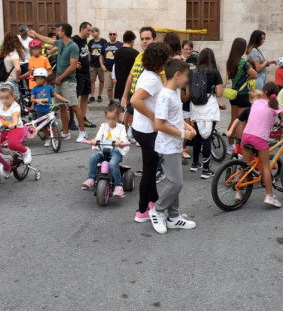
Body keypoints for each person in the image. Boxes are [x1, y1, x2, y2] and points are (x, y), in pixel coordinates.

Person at [149, 59, 197, 234]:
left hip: (175, 144)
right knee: (176, 183)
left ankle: (174, 216)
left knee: (174, 181)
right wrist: (184, 134)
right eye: (186, 76)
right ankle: (157, 210)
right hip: (168, 146)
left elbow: (174, 118)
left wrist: (187, 126)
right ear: (177, 75)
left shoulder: (175, 92)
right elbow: (159, 124)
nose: (187, 80)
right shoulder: (164, 96)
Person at [131, 42, 171, 223]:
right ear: (160, 60)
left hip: (142, 128)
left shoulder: (151, 75)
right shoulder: (152, 79)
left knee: (151, 166)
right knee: (149, 170)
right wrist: (154, 118)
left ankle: (153, 200)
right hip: (147, 131)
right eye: (167, 58)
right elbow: (135, 100)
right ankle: (142, 211)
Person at [189, 48, 224, 179]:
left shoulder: (192, 72)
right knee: (207, 137)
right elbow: (220, 93)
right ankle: (206, 169)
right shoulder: (215, 72)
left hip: (196, 106)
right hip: (210, 107)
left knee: (198, 135)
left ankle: (195, 163)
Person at [82, 102, 130, 198]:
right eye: (109, 119)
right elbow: (98, 136)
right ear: (105, 117)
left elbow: (124, 138)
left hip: (115, 151)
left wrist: (120, 142)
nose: (111, 121)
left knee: (113, 164)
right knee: (93, 157)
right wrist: (95, 140)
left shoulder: (121, 128)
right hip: (103, 150)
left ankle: (118, 186)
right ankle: (91, 178)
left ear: (118, 117)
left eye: (113, 119)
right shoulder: (104, 126)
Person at [225, 38, 258, 151]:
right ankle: (239, 148)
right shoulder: (243, 62)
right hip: (243, 95)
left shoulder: (230, 61)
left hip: (233, 95)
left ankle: (230, 145)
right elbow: (255, 75)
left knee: (233, 120)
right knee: (241, 122)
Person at [30, 68, 69, 145]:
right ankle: (47, 138)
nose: (37, 80)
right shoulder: (35, 89)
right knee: (43, 126)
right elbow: (32, 99)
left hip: (49, 109)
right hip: (40, 110)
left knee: (53, 125)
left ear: (45, 78)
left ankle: (56, 139)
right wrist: (36, 100)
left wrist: (64, 100)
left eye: (39, 78)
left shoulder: (49, 87)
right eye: (36, 78)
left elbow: (56, 95)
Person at [121, 26, 157, 111]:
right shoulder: (139, 56)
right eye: (142, 39)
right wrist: (124, 97)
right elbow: (131, 76)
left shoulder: (157, 58)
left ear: (154, 40)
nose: (144, 41)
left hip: (149, 101)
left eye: (147, 38)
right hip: (134, 97)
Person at [113, 31, 139, 132]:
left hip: (119, 84)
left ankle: (122, 130)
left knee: (122, 108)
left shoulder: (118, 52)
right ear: (132, 41)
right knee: (131, 110)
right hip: (131, 85)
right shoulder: (135, 53)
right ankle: (129, 130)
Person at [73, 22, 95, 128]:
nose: (90, 32)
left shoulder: (85, 40)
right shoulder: (74, 40)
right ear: (82, 29)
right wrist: (73, 63)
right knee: (75, 97)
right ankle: (71, 120)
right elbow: (64, 50)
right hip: (78, 74)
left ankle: (83, 118)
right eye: (88, 30)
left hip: (86, 72)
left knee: (85, 95)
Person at [180, 40, 198, 160]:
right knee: (187, 125)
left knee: (192, 123)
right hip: (183, 91)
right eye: (186, 49)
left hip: (193, 93)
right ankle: (181, 149)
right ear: (182, 49)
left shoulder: (194, 60)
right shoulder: (179, 60)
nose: (188, 51)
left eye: (190, 49)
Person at [0, 32, 24, 98]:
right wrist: (17, 78)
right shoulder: (14, 54)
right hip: (11, 81)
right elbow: (17, 69)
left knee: (4, 103)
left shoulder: (4, 54)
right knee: (14, 104)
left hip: (2, 82)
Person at [101, 29, 122, 102]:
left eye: (114, 34)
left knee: (118, 87)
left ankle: (119, 101)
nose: (112, 35)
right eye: (110, 34)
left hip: (117, 70)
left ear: (116, 35)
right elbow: (101, 56)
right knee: (109, 88)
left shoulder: (120, 45)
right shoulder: (105, 45)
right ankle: (111, 102)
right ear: (108, 35)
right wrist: (102, 66)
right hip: (107, 70)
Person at [88, 27, 107, 103]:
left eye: (93, 32)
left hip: (100, 65)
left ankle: (99, 95)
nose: (92, 33)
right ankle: (92, 96)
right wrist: (89, 62)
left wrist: (104, 64)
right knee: (92, 80)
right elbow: (89, 52)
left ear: (98, 32)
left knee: (101, 80)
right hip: (92, 64)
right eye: (91, 32)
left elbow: (105, 53)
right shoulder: (90, 42)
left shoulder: (103, 41)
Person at [17, 25, 31, 90]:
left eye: (23, 34)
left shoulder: (30, 40)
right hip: (17, 62)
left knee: (28, 79)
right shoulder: (16, 38)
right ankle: (21, 95)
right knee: (19, 80)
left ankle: (30, 95)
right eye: (20, 33)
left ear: (27, 33)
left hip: (27, 62)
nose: (22, 35)